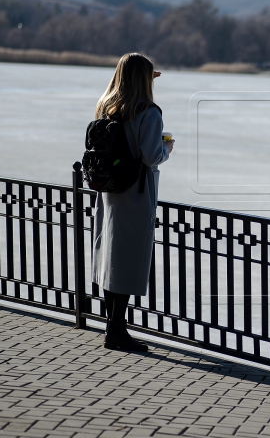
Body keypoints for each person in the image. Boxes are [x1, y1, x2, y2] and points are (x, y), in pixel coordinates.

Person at [91, 53, 173, 352]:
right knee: (127, 261)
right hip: (135, 194)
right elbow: (151, 156)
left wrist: (142, 76)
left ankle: (112, 326)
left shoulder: (106, 106)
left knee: (110, 257)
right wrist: (166, 148)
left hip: (109, 191)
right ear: (144, 80)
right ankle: (117, 331)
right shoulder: (148, 112)